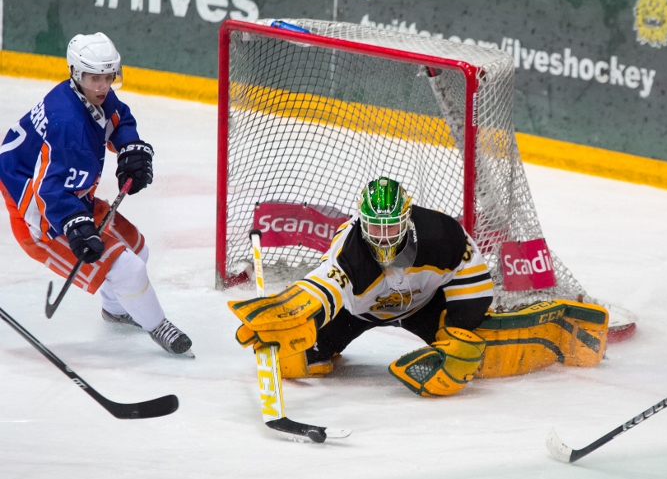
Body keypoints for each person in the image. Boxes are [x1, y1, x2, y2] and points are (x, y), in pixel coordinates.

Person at [0, 32, 192, 357]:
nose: (102, 85)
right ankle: (159, 327)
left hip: (70, 196)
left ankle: (115, 310)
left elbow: (119, 119)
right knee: (128, 269)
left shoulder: (87, 97)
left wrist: (129, 147)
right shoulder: (68, 125)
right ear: (77, 73)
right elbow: (50, 189)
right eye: (94, 77)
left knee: (136, 251)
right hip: (43, 218)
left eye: (107, 76)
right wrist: (74, 224)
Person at [228, 176, 494, 396]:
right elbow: (324, 286)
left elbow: (470, 275)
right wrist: (293, 313)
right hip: (357, 312)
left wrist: (462, 325)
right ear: (360, 220)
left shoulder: (441, 233)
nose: (383, 238)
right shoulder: (349, 249)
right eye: (374, 228)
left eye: (391, 227)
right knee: (295, 359)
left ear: (407, 218)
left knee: (478, 347)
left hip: (422, 305)